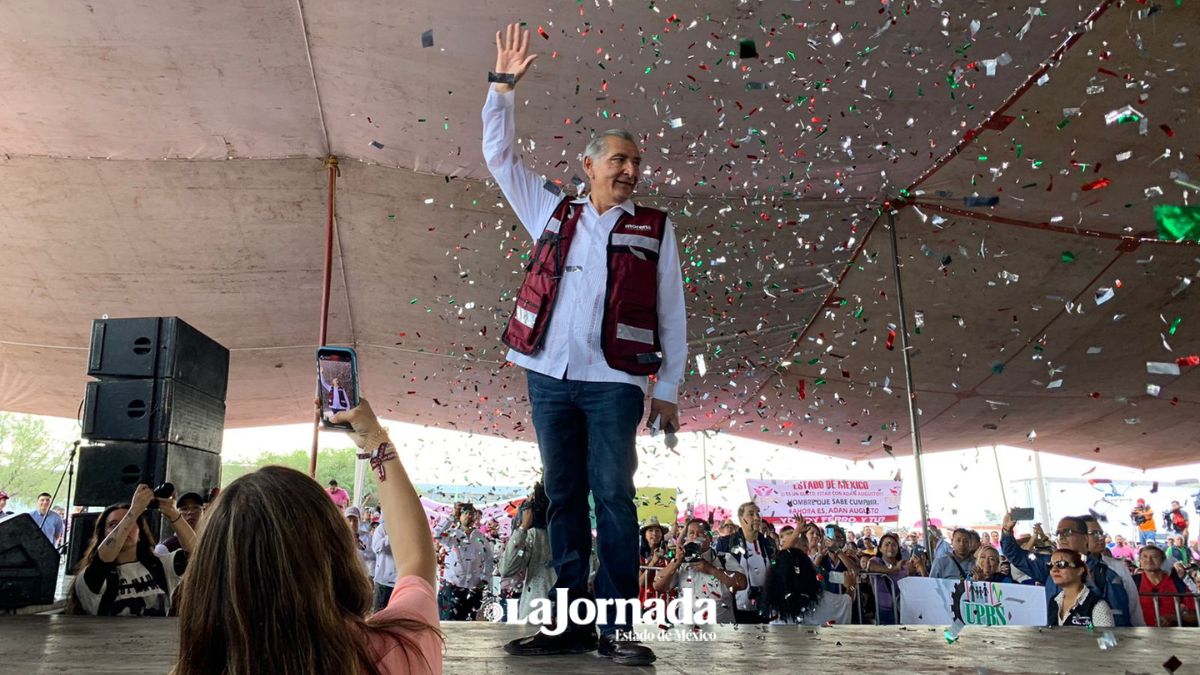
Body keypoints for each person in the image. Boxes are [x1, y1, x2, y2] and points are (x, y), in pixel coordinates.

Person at [485, 24, 687, 667]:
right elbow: (499, 158)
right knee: (564, 497)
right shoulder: (551, 210)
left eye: (636, 163)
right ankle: (572, 625)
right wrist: (502, 88)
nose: (629, 171)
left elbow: (672, 312)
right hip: (547, 375)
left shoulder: (656, 228)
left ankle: (618, 629)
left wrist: (670, 390)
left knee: (615, 497)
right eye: (618, 160)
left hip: (615, 383)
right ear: (589, 166)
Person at [173, 399, 444, 674]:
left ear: (206, 576)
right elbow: (416, 562)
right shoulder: (397, 653)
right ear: (334, 553)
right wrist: (375, 440)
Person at [66, 484, 195, 616]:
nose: (124, 529)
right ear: (104, 535)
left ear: (140, 533)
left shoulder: (161, 564)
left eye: (131, 523)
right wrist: (134, 512)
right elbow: (101, 561)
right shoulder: (91, 576)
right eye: (113, 525)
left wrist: (174, 514)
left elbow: (196, 553)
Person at [1001, 511, 1133, 626]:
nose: (1062, 536)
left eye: (1068, 532)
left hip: (1091, 648)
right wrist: (1007, 531)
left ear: (1085, 538)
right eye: (1059, 533)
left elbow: (1119, 623)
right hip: (1056, 645)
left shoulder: (1105, 574)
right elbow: (1016, 556)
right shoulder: (1048, 564)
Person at [652, 519, 747, 624]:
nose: (695, 536)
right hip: (687, 630)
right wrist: (676, 562)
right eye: (691, 533)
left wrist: (711, 569)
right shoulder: (680, 562)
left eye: (700, 533)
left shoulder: (724, 558)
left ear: (709, 538)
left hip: (721, 630)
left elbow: (742, 583)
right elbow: (658, 586)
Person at [499, 482, 554, 622]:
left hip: (538, 615)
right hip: (540, 614)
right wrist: (523, 529)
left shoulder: (534, 535)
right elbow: (507, 569)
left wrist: (523, 527)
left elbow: (506, 568)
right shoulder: (533, 535)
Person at [713, 502, 775, 623]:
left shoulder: (767, 543)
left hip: (764, 608)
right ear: (741, 519)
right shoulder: (726, 543)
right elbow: (718, 573)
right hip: (736, 609)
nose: (757, 518)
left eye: (758, 514)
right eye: (751, 514)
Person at [1080, 514, 1145, 626]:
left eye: (1101, 533)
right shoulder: (1068, 570)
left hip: (1122, 633)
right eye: (1094, 534)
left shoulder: (1117, 567)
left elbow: (1133, 605)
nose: (1101, 538)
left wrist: (1140, 630)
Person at [434, 502, 493, 621]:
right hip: (451, 589)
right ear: (459, 516)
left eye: (471, 513)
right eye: (465, 513)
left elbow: (489, 560)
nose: (468, 516)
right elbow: (437, 534)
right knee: (448, 626)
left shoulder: (481, 538)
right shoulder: (451, 535)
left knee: (469, 628)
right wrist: (452, 517)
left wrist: (484, 580)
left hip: (473, 591)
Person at [864, 532, 926, 624]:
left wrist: (921, 567)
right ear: (880, 548)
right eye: (886, 544)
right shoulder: (875, 561)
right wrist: (894, 568)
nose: (890, 547)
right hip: (884, 610)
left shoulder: (904, 565)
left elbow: (920, 582)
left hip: (905, 609)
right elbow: (871, 567)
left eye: (893, 544)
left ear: (898, 548)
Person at [1133, 545, 1197, 627]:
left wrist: (1173, 618)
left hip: (1174, 635)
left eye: (1154, 557)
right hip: (1141, 634)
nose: (1149, 560)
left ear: (1162, 560)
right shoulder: (1133, 582)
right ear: (1140, 561)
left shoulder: (1176, 583)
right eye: (1144, 557)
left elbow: (1195, 615)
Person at [1048, 549, 1114, 627]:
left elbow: (1106, 638)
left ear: (1079, 570)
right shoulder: (1054, 601)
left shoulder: (1097, 605)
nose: (1054, 569)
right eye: (1050, 565)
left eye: (1061, 564)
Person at [637, 516, 671, 605]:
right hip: (645, 602)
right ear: (644, 534)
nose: (654, 533)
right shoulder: (638, 556)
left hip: (666, 602)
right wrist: (653, 561)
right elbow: (641, 582)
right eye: (650, 530)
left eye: (657, 530)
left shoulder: (669, 554)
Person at [372, 511, 398, 613]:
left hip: (398, 582)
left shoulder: (406, 529)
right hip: (384, 580)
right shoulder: (382, 529)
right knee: (379, 615)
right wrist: (391, 536)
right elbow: (376, 547)